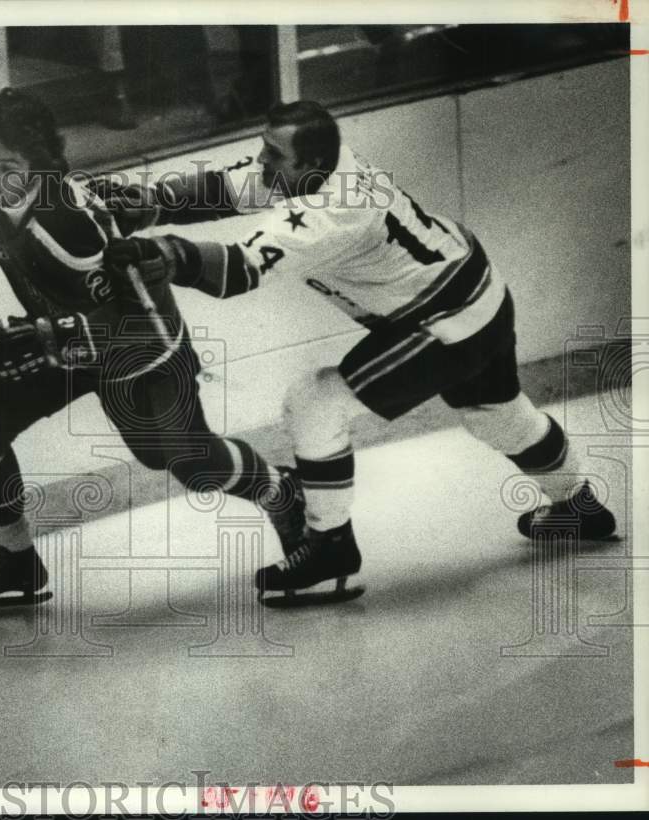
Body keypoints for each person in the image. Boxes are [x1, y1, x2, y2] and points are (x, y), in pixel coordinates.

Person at [103, 99, 617, 604]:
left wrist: (166, 252)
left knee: (315, 401)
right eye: (265, 147)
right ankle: (579, 508)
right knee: (498, 415)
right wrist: (146, 202)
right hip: (478, 289)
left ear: (312, 163)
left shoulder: (334, 213)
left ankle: (330, 552)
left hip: (445, 319)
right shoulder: (323, 168)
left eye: (274, 154)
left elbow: (237, 270)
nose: (262, 160)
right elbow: (225, 188)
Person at [0, 87, 300, 609]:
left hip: (140, 349)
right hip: (59, 341)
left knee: (183, 461)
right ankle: (16, 561)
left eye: (8, 167)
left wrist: (47, 337)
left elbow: (133, 320)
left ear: (41, 169)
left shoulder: (72, 225)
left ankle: (281, 490)